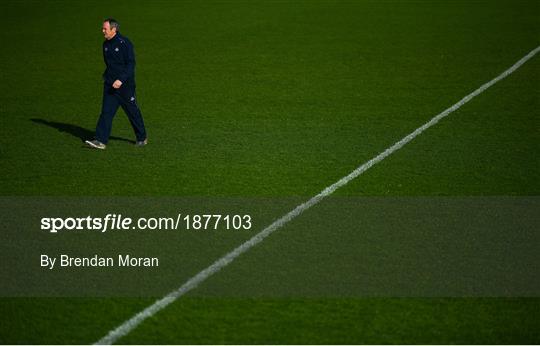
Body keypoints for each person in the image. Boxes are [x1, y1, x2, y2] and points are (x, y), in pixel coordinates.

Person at [85, 18, 147, 149]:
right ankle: (100, 140)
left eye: (105, 29)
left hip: (125, 87)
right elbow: (109, 64)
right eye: (102, 28)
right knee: (106, 112)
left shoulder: (124, 43)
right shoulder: (105, 45)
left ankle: (142, 137)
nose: (103, 31)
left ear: (114, 29)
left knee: (132, 112)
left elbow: (131, 64)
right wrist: (108, 77)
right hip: (110, 86)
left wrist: (121, 79)